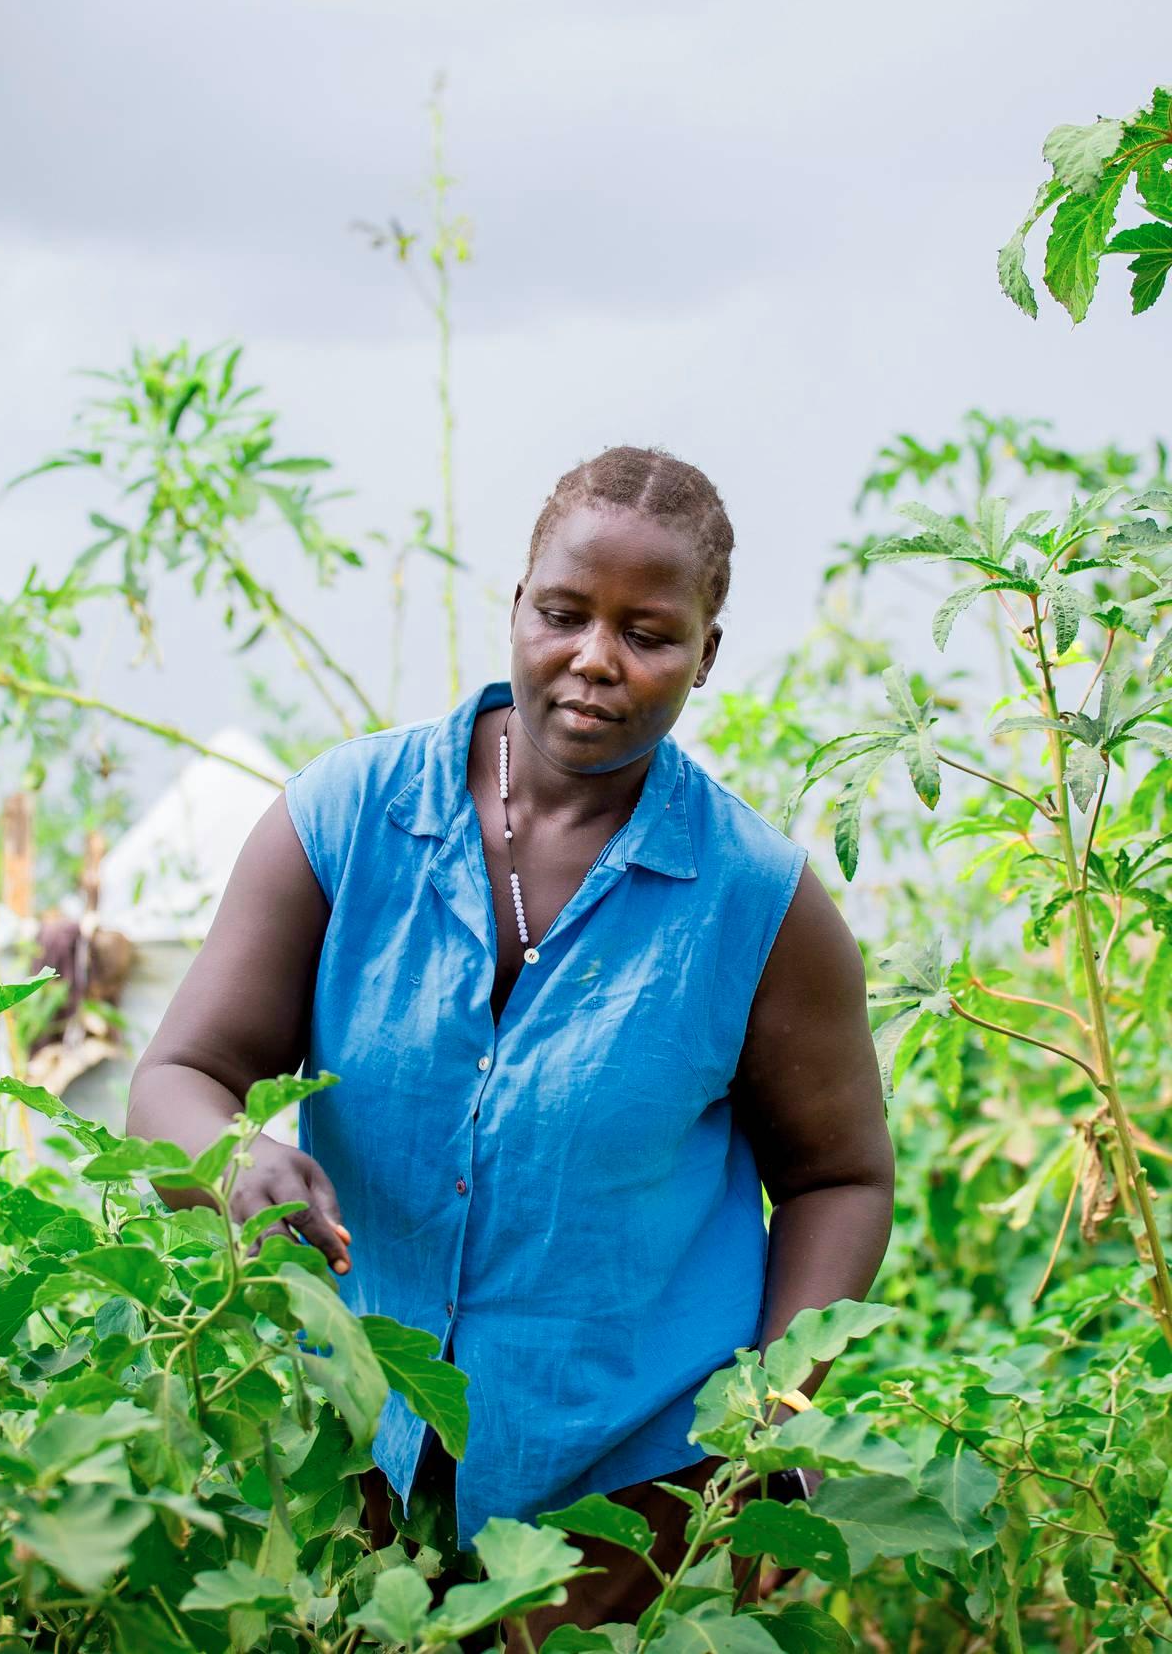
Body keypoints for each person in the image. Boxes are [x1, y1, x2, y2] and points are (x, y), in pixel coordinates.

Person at [127, 446, 894, 1635]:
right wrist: (233, 1157)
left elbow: (839, 1177)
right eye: (564, 613)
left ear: (706, 653)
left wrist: (775, 1423)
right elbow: (179, 1075)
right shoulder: (344, 821)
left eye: (648, 632)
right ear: (518, 604)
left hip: (632, 1504)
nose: (595, 659)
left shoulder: (756, 903)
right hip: (355, 1473)